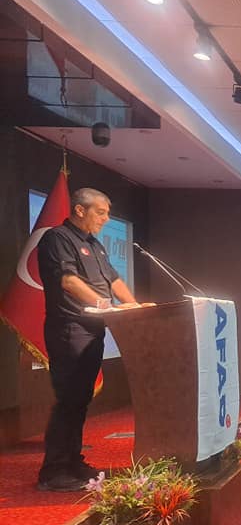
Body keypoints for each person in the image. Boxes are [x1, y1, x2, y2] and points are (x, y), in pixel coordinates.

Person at [36, 188, 145, 491]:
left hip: (93, 329)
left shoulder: (94, 245)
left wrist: (135, 307)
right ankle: (53, 471)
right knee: (69, 400)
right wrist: (106, 305)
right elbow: (68, 281)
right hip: (69, 329)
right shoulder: (58, 238)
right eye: (101, 212)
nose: (106, 219)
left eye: (108, 213)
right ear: (80, 210)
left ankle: (73, 461)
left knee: (80, 400)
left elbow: (114, 280)